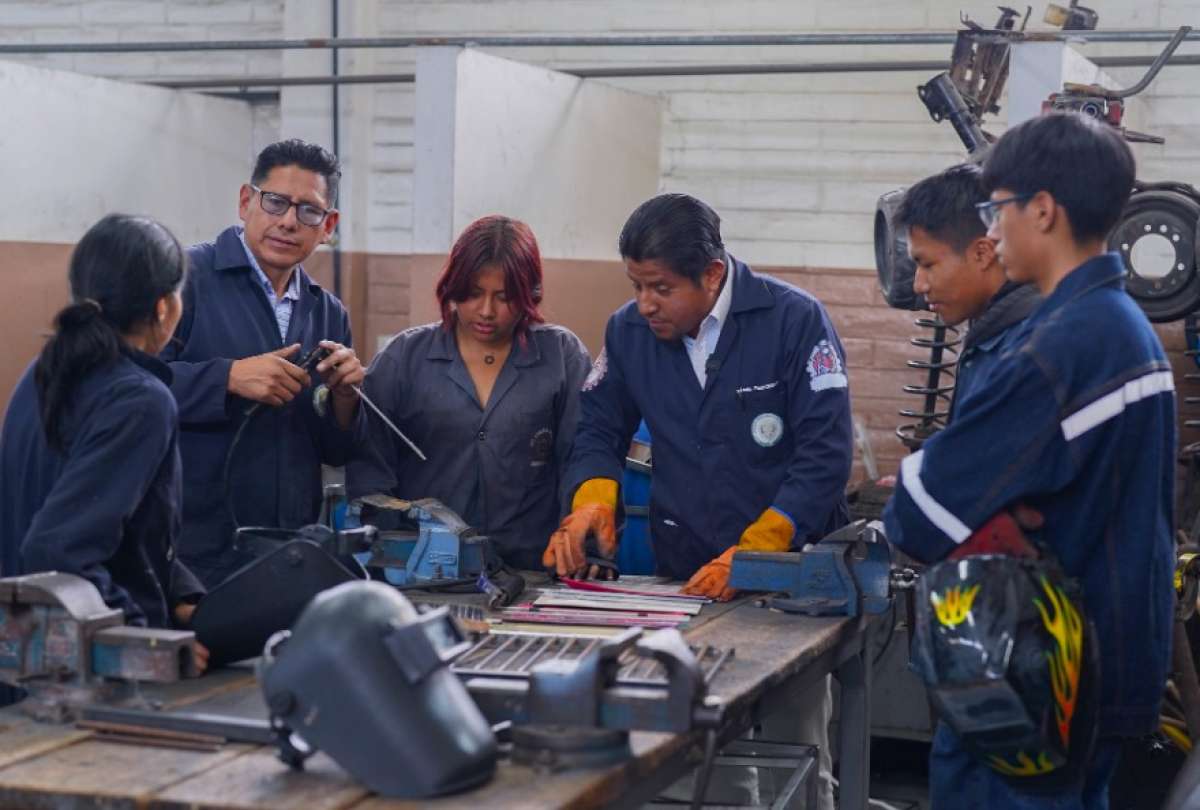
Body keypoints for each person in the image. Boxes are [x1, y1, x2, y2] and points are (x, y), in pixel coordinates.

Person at [883, 113, 1175, 809]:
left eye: (998, 208)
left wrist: (952, 490)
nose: (991, 228)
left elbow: (919, 512)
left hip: (1037, 676)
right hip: (1101, 663)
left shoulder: (1060, 347)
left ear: (1042, 211)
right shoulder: (1123, 326)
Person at [546, 193, 853, 810]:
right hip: (685, 581)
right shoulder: (629, 333)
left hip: (787, 590)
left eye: (660, 287)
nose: (645, 303)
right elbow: (599, 429)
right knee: (701, 755)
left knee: (796, 755)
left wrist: (759, 550)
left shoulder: (795, 322)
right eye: (635, 284)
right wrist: (593, 501)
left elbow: (823, 459)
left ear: (712, 274)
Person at [0, 214, 208, 674]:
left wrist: (177, 593)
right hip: (84, 676)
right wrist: (143, 640)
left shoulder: (43, 373)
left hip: (21, 654)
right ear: (163, 308)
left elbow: (123, 530)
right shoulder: (141, 399)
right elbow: (57, 548)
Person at [160, 139, 366, 588]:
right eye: (275, 202)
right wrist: (227, 377)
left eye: (308, 211)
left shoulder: (327, 312)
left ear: (328, 225)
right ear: (245, 201)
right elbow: (132, 387)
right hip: (192, 554)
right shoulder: (185, 281)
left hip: (288, 552)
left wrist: (348, 397)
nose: (289, 221)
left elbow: (334, 450)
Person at [347, 215, 590, 570]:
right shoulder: (405, 358)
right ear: (453, 286)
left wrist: (585, 545)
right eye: (474, 294)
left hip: (534, 569)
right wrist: (388, 558)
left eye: (504, 297)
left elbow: (583, 457)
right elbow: (370, 471)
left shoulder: (560, 357)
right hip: (424, 571)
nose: (487, 311)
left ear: (529, 295)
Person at [897, 162, 1041, 418]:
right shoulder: (992, 334)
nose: (919, 285)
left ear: (982, 253)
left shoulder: (1025, 352)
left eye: (928, 264)